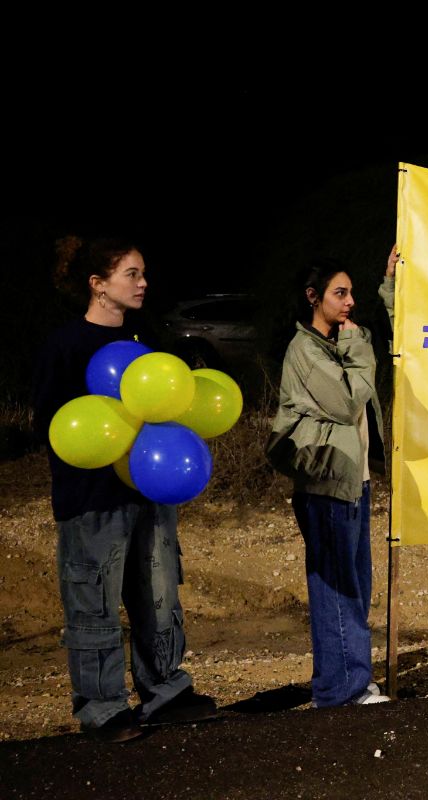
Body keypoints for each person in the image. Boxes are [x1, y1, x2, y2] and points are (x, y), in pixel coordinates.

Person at [31, 236, 218, 742]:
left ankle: (166, 692)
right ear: (98, 285)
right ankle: (102, 707)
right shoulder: (66, 345)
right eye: (132, 274)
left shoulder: (144, 338)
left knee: (158, 597)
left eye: (143, 273)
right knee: (94, 603)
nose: (143, 283)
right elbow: (53, 426)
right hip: (92, 500)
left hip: (150, 491)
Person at [266, 251, 396, 706]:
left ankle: (343, 680)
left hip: (350, 482)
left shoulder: (331, 345)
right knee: (338, 590)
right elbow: (346, 402)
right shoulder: (305, 350)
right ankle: (343, 691)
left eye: (351, 293)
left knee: (350, 586)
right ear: (312, 297)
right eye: (339, 293)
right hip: (326, 489)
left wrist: (389, 284)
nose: (348, 302)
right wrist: (358, 348)